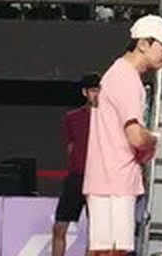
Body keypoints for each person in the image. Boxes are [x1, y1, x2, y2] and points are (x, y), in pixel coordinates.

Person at [83, 15, 162, 256]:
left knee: (102, 251)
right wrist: (155, 139)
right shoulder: (127, 79)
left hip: (104, 178)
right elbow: (136, 137)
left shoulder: (115, 73)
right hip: (117, 181)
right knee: (114, 252)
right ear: (143, 44)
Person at [53, 74, 101, 256]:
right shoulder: (72, 118)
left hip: (99, 179)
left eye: (99, 90)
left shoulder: (109, 119)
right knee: (59, 226)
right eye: (93, 90)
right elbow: (71, 146)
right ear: (85, 92)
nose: (97, 95)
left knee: (96, 233)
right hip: (76, 177)